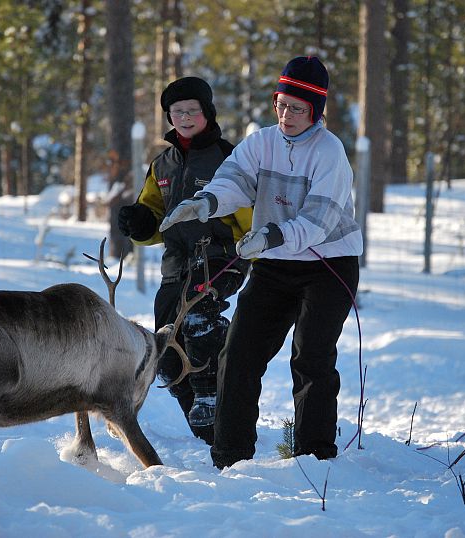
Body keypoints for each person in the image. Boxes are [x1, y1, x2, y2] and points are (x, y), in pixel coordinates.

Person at [159, 56, 363, 468]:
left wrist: (270, 235)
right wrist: (206, 203)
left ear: (316, 111)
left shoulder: (329, 153)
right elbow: (234, 179)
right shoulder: (262, 141)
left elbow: (319, 220)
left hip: (328, 266)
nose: (287, 115)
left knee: (311, 359)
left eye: (298, 108)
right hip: (273, 265)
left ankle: (315, 458)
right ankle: (230, 456)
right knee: (238, 356)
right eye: (281, 105)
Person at [117, 76, 251, 445]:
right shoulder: (163, 164)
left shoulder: (228, 158)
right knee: (165, 349)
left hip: (221, 256)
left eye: (193, 110)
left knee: (198, 313)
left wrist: (252, 245)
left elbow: (249, 211)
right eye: (178, 111)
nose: (186, 117)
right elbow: (153, 217)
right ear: (169, 117)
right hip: (176, 265)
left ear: (208, 113)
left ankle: (210, 394)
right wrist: (139, 223)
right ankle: (206, 427)